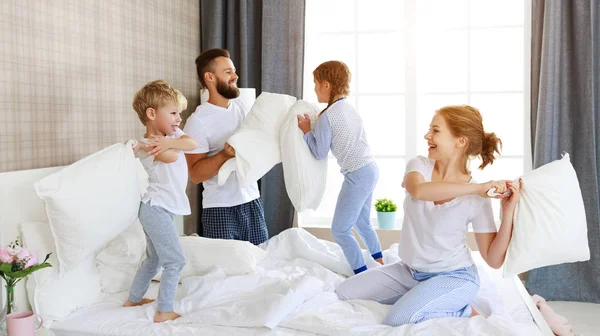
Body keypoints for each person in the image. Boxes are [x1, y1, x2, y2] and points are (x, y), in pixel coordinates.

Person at [335, 105, 524, 327]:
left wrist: (508, 211)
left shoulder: (478, 197)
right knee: (344, 291)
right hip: (410, 272)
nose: (427, 136)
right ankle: (426, 295)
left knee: (399, 319)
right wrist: (476, 188)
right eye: (429, 130)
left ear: (460, 141)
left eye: (435, 131)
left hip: (455, 277)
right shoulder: (419, 166)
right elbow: (419, 191)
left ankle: (464, 310)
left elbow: (493, 259)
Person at [297, 60, 383, 274]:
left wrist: (307, 131)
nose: (315, 89)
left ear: (326, 85)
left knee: (340, 229)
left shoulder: (327, 117)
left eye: (316, 84)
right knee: (362, 222)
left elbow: (319, 153)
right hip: (371, 168)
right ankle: (380, 262)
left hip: (357, 174)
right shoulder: (348, 109)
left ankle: (362, 274)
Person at [123, 80, 197, 323]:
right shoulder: (149, 146)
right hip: (154, 208)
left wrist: (170, 138)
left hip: (163, 208)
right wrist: (159, 143)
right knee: (175, 259)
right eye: (173, 113)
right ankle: (164, 310)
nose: (179, 119)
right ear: (152, 114)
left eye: (180, 114)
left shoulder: (171, 136)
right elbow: (171, 155)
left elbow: (192, 144)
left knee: (153, 258)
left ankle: (133, 298)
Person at [184, 48, 268, 245]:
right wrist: (223, 155)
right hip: (220, 208)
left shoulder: (241, 108)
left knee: (262, 264)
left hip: (252, 200)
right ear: (210, 77)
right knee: (225, 271)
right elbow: (196, 175)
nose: (235, 76)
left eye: (234, 71)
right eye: (228, 72)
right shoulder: (197, 122)